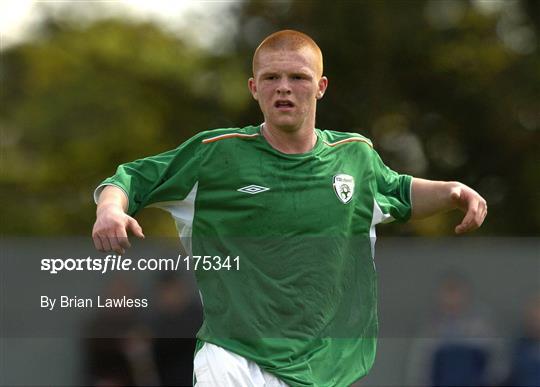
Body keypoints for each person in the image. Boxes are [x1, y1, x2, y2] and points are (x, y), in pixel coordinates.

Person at [92, 30, 487, 386]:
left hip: (325, 368)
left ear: (321, 86)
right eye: (271, 78)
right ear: (253, 87)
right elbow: (132, 179)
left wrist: (454, 191)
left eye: (297, 77)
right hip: (233, 359)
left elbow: (400, 192)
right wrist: (110, 208)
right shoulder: (217, 155)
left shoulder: (354, 157)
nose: (284, 88)